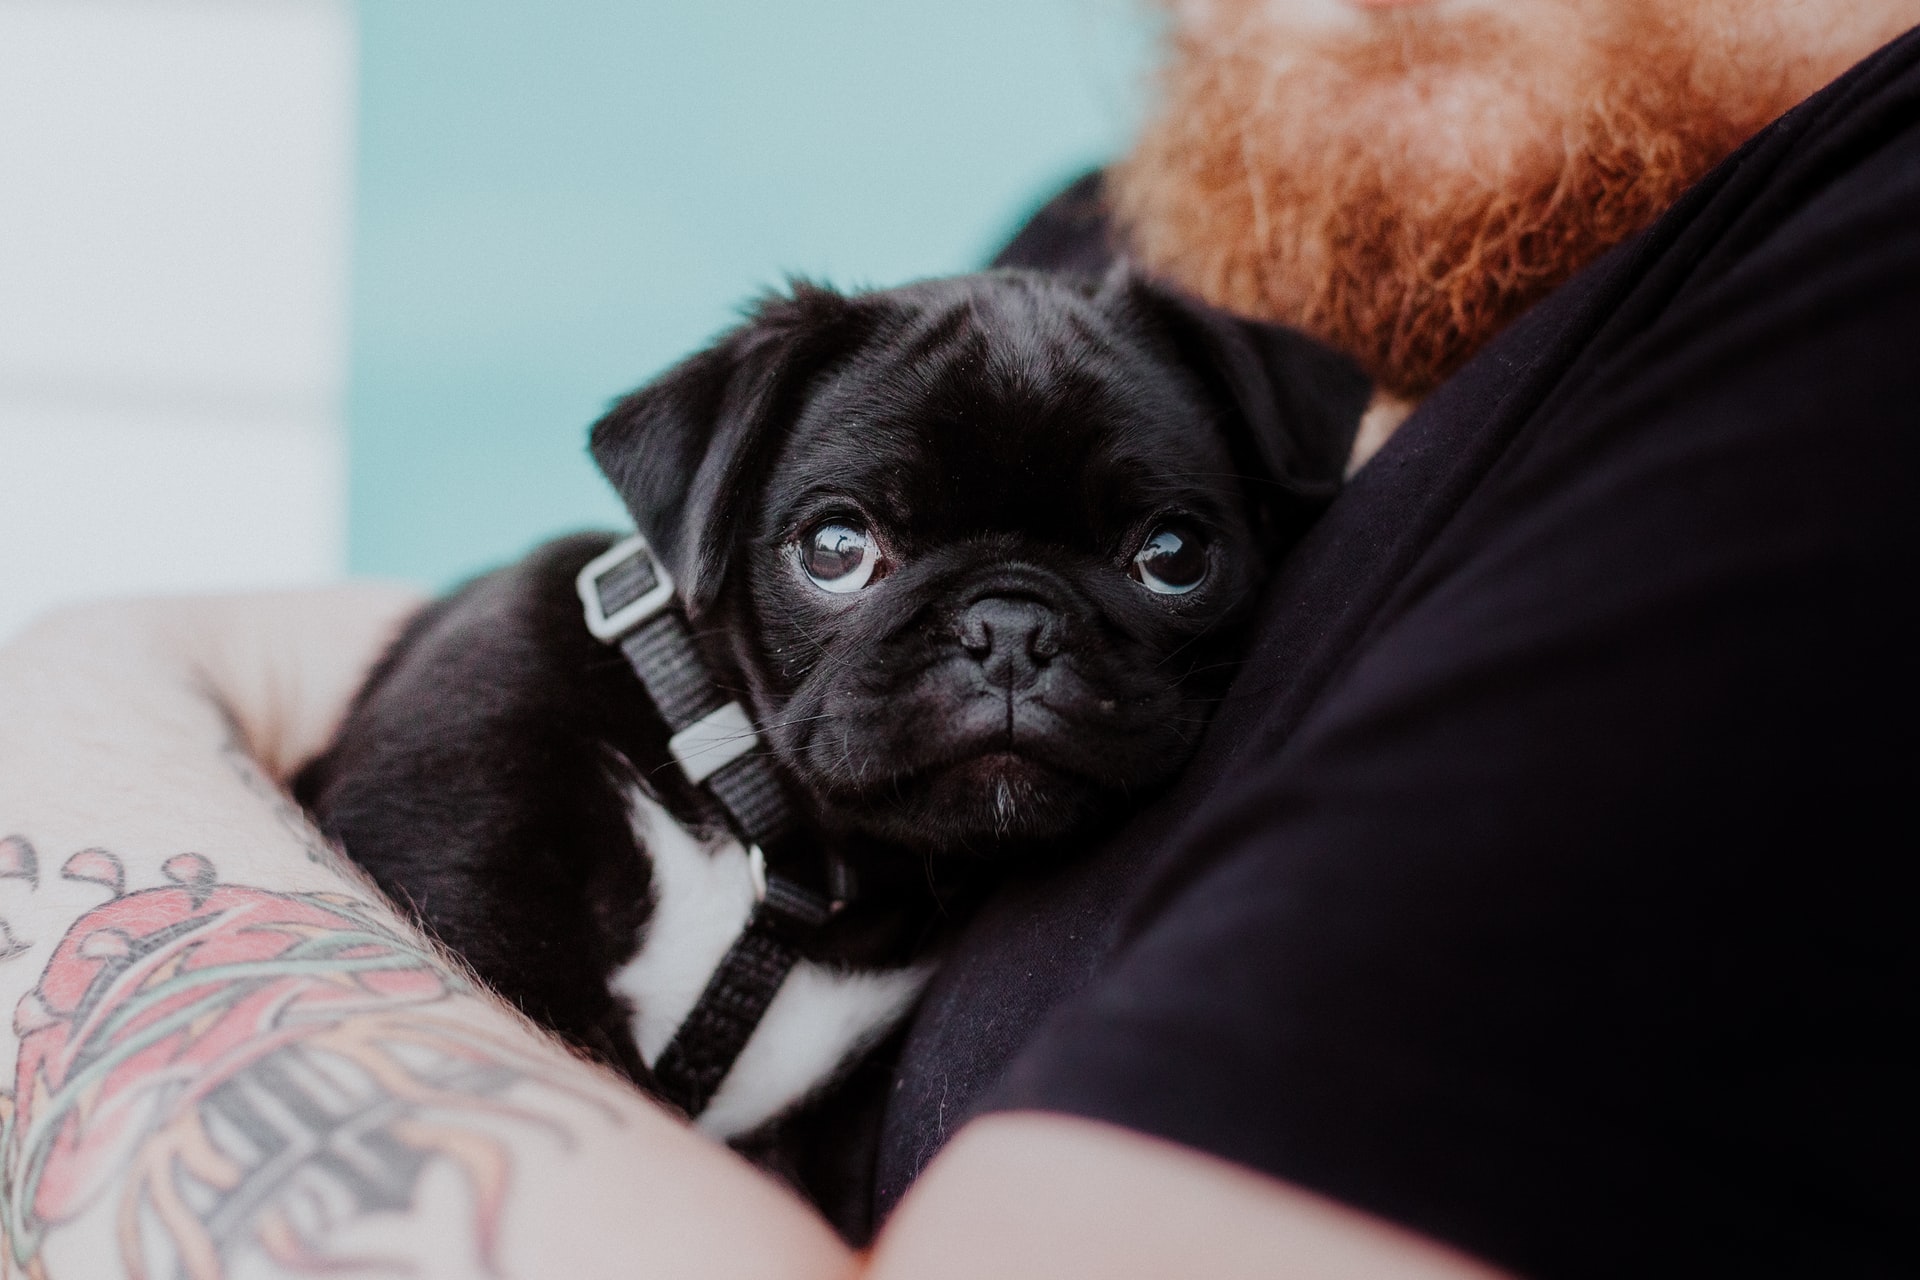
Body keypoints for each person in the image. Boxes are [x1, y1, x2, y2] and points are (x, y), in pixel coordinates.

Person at [2, 1, 1915, 1275]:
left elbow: (231, 676)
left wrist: (87, 724)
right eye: (853, 549)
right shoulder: (1146, 235)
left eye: (1165, 562)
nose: (1002, 649)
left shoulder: (1847, 302)